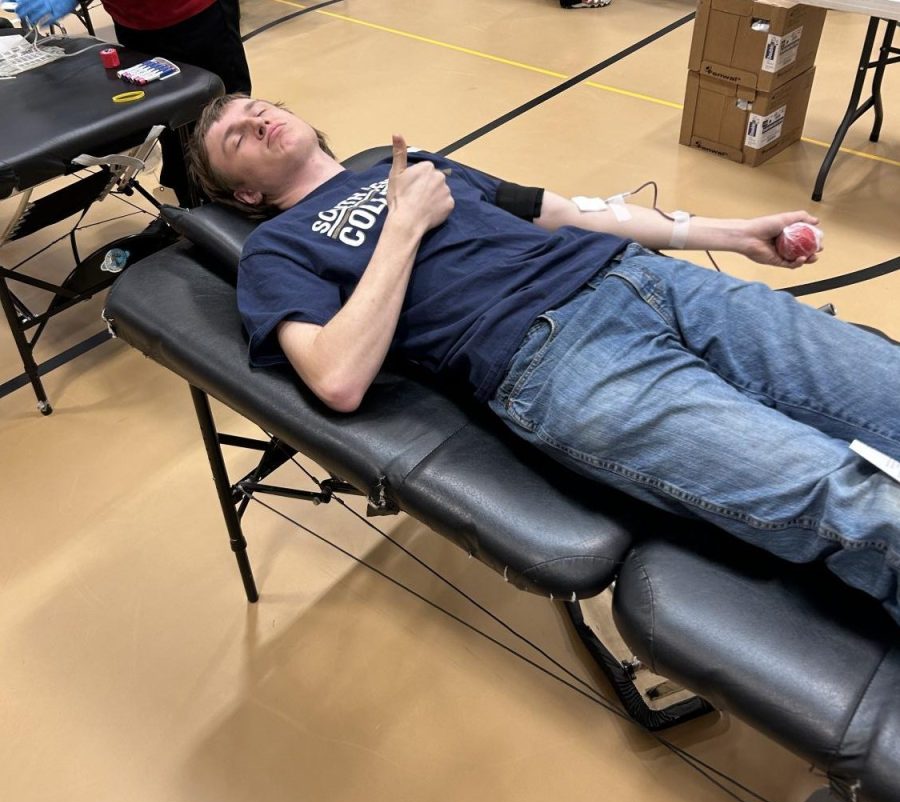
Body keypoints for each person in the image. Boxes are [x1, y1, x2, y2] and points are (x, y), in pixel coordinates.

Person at [188, 93, 900, 623]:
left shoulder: (424, 166)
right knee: (850, 500)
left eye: (261, 106)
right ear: (245, 192)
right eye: (236, 136)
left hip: (652, 280)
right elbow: (335, 377)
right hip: (556, 359)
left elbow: (567, 212)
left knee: (887, 388)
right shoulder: (275, 251)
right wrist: (402, 227)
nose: (258, 117)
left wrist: (731, 232)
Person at [16, 0, 251, 205]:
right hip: (135, 24)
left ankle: (247, 211)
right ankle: (194, 210)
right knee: (168, 124)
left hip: (195, 16)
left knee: (225, 121)